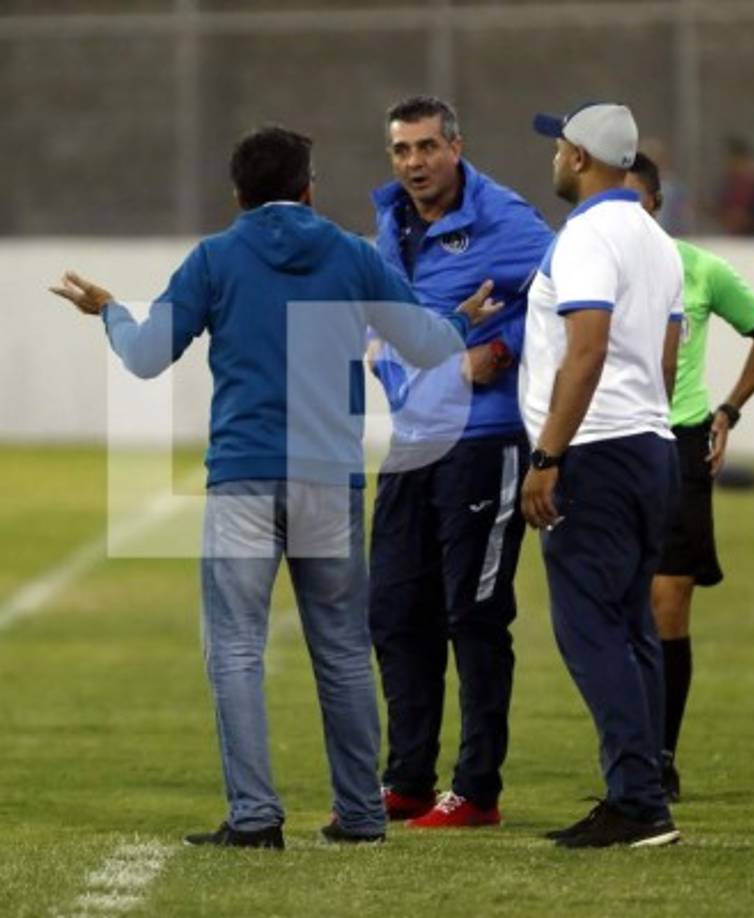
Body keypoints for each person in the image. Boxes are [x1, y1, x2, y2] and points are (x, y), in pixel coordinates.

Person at [49, 125, 503, 849]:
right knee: (344, 652)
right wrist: (459, 317)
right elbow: (425, 347)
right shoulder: (352, 255)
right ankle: (358, 815)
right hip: (328, 476)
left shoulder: (216, 258)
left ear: (237, 194)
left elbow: (142, 358)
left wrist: (108, 310)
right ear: (308, 187)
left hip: (243, 477)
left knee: (233, 650)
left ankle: (255, 817)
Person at [368, 96, 553, 828]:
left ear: (455, 146)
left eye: (424, 148)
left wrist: (500, 351)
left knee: (472, 616)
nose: (412, 163)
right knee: (393, 612)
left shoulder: (508, 221)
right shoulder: (389, 220)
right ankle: (407, 778)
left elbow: (573, 307)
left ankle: (476, 790)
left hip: (483, 439)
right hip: (412, 441)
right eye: (400, 150)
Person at [521, 101, 684, 848]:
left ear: (581, 157)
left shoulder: (587, 234)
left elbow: (584, 350)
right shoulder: (656, 239)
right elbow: (665, 359)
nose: (553, 158)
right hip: (649, 444)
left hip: (597, 450)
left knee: (589, 631)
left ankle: (636, 801)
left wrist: (550, 454)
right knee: (631, 631)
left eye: (559, 147)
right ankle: (643, 790)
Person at [626, 153, 754, 801]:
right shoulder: (587, 272)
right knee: (618, 610)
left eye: (636, 202)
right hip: (611, 444)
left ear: (656, 206)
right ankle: (627, 755)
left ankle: (659, 758)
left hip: (678, 443)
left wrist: (729, 409)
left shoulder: (697, 269)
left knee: (667, 603)